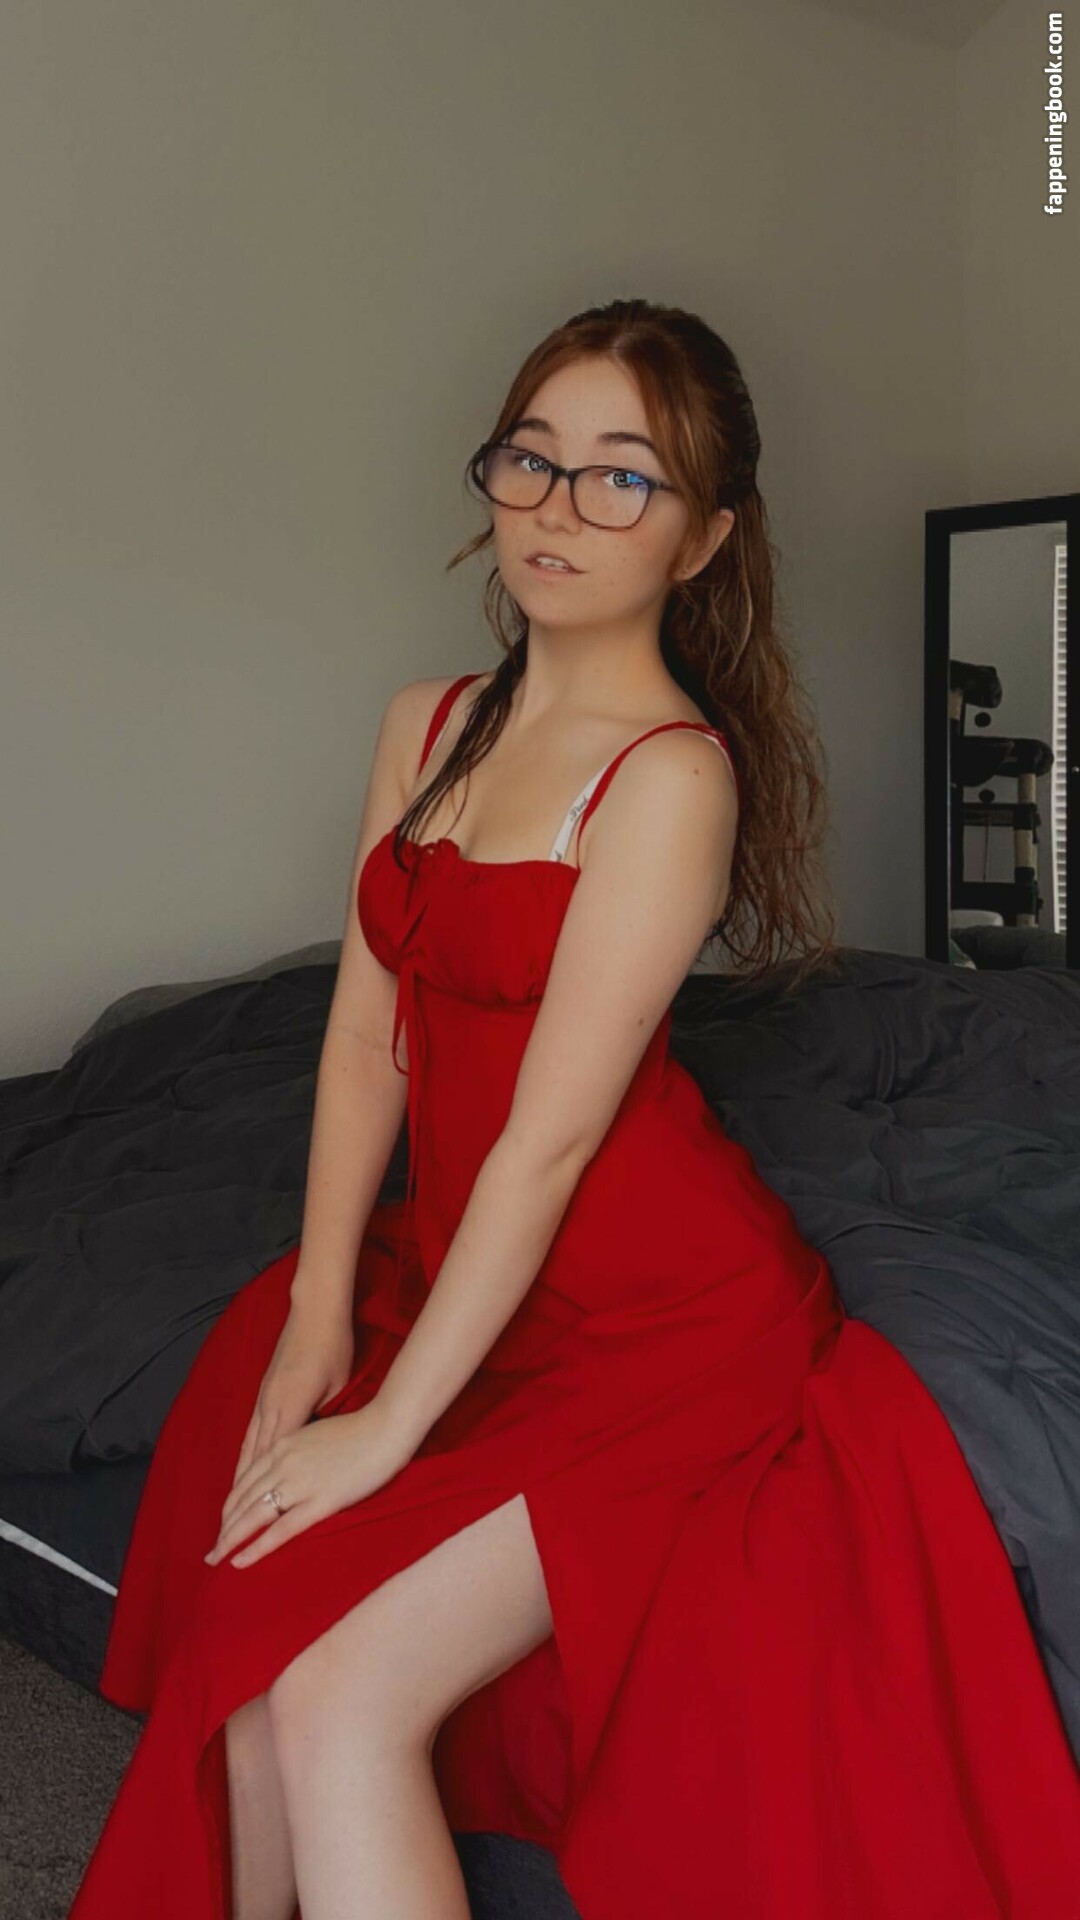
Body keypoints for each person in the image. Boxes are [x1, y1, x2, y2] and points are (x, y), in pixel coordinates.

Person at [70, 298, 1080, 1920]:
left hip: (660, 1324)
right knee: (248, 1675)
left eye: (624, 476)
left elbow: (546, 1141)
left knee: (337, 1701)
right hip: (459, 1276)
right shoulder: (425, 724)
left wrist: (391, 1425)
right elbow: (366, 1037)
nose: (559, 507)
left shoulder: (672, 776)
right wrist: (319, 1316)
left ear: (704, 539)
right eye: (532, 459)